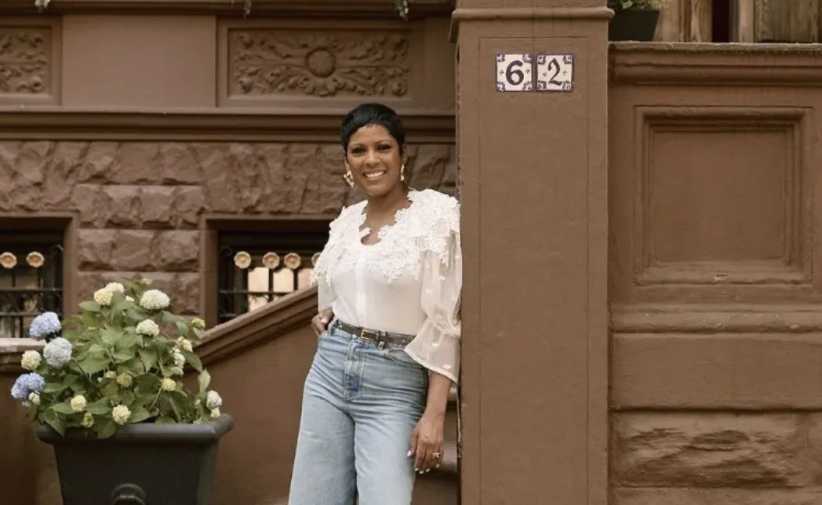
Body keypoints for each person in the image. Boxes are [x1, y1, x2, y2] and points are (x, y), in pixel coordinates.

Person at [288, 103, 462, 505]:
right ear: (347, 161)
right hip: (329, 371)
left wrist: (435, 413)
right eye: (359, 150)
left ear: (402, 154)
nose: (372, 160)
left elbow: (445, 319)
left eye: (383, 147)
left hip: (396, 381)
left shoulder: (437, 216)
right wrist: (329, 312)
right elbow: (335, 290)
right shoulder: (346, 221)